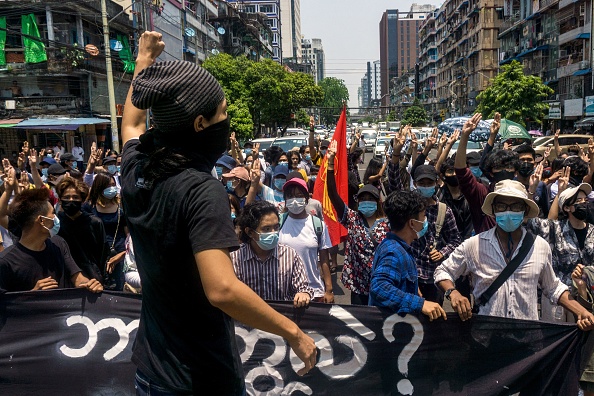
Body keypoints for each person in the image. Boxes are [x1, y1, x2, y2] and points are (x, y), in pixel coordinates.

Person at [119, 31, 316, 395]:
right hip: (198, 379)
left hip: (150, 371)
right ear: (199, 125)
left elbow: (131, 124)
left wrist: (143, 61)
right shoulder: (200, 189)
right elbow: (222, 289)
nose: (227, 120)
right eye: (222, 113)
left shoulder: (137, 167)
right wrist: (293, 332)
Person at [434, 179, 594, 325]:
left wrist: (580, 310)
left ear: (524, 211)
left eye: (516, 206)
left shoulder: (540, 246)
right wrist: (452, 292)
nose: (508, 211)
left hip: (527, 336)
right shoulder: (474, 245)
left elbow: (552, 287)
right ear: (494, 209)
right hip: (485, 335)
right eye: (502, 206)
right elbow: (443, 271)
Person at [0, 188, 103, 293]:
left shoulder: (58, 244)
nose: (56, 218)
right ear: (42, 220)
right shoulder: (6, 262)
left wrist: (88, 285)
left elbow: (77, 277)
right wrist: (32, 295)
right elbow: (5, 305)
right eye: (53, 213)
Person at [369, 188, 447, 321]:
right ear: (412, 223)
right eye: (423, 216)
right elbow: (379, 286)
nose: (425, 220)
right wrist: (419, 303)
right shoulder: (393, 252)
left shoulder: (395, 245)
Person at [327, 141, 390, 305]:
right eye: (363, 199)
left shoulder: (388, 224)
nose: (367, 202)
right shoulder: (352, 218)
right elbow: (333, 195)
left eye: (371, 199)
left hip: (383, 285)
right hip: (358, 287)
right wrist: (330, 163)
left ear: (378, 202)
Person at [527, 178, 594, 322]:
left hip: (586, 297)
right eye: (578, 201)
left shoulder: (593, 232)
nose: (584, 204)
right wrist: (531, 191)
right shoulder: (554, 229)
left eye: (585, 200)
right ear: (567, 207)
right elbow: (528, 220)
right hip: (557, 298)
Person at [231, 201, 313, 306]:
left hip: (283, 318)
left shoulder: (290, 255)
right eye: (267, 229)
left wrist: (303, 294)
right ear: (250, 232)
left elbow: (303, 288)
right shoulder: (235, 259)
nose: (273, 232)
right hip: (248, 319)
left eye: (276, 227)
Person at [278, 177, 334, 303]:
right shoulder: (278, 223)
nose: (294, 200)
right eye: (290, 196)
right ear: (285, 200)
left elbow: (324, 259)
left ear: (307, 198)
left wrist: (329, 289)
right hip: (285, 293)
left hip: (314, 291)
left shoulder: (317, 225)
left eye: (299, 195)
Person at [56, 177, 106, 283]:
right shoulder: (55, 222)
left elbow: (102, 253)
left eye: (75, 197)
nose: (71, 201)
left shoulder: (94, 222)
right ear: (60, 200)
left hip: (91, 277)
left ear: (82, 200)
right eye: (66, 197)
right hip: (62, 276)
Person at [85, 172, 127, 291]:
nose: (112, 189)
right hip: (95, 256)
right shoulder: (89, 207)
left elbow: (129, 236)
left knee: (118, 288)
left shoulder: (121, 207)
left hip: (118, 255)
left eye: (113, 185)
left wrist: (122, 255)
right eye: (108, 186)